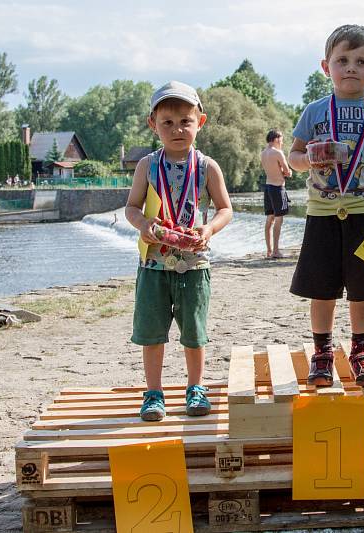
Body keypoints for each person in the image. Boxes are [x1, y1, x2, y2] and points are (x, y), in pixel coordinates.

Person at [288, 24, 364, 388]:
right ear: (326, 67)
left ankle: (360, 351)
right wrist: (308, 160)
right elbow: (292, 157)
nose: (351, 67)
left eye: (361, 61)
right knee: (321, 288)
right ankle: (322, 353)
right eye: (342, 60)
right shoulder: (315, 111)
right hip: (321, 212)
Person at [125, 81, 233, 421]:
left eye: (185, 121)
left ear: (200, 122)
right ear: (152, 124)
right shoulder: (147, 166)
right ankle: (153, 393)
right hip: (154, 263)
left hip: (194, 264)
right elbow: (131, 208)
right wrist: (144, 225)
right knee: (152, 332)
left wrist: (208, 229)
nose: (177, 129)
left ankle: (195, 388)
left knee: (194, 333)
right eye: (167, 122)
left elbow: (225, 209)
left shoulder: (206, 166)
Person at [260, 129, 292, 258]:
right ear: (277, 139)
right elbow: (287, 171)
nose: (282, 142)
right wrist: (289, 173)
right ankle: (276, 251)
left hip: (268, 188)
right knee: (279, 219)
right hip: (278, 188)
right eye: (282, 139)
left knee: (269, 219)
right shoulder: (278, 153)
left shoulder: (263, 153)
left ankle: (269, 250)